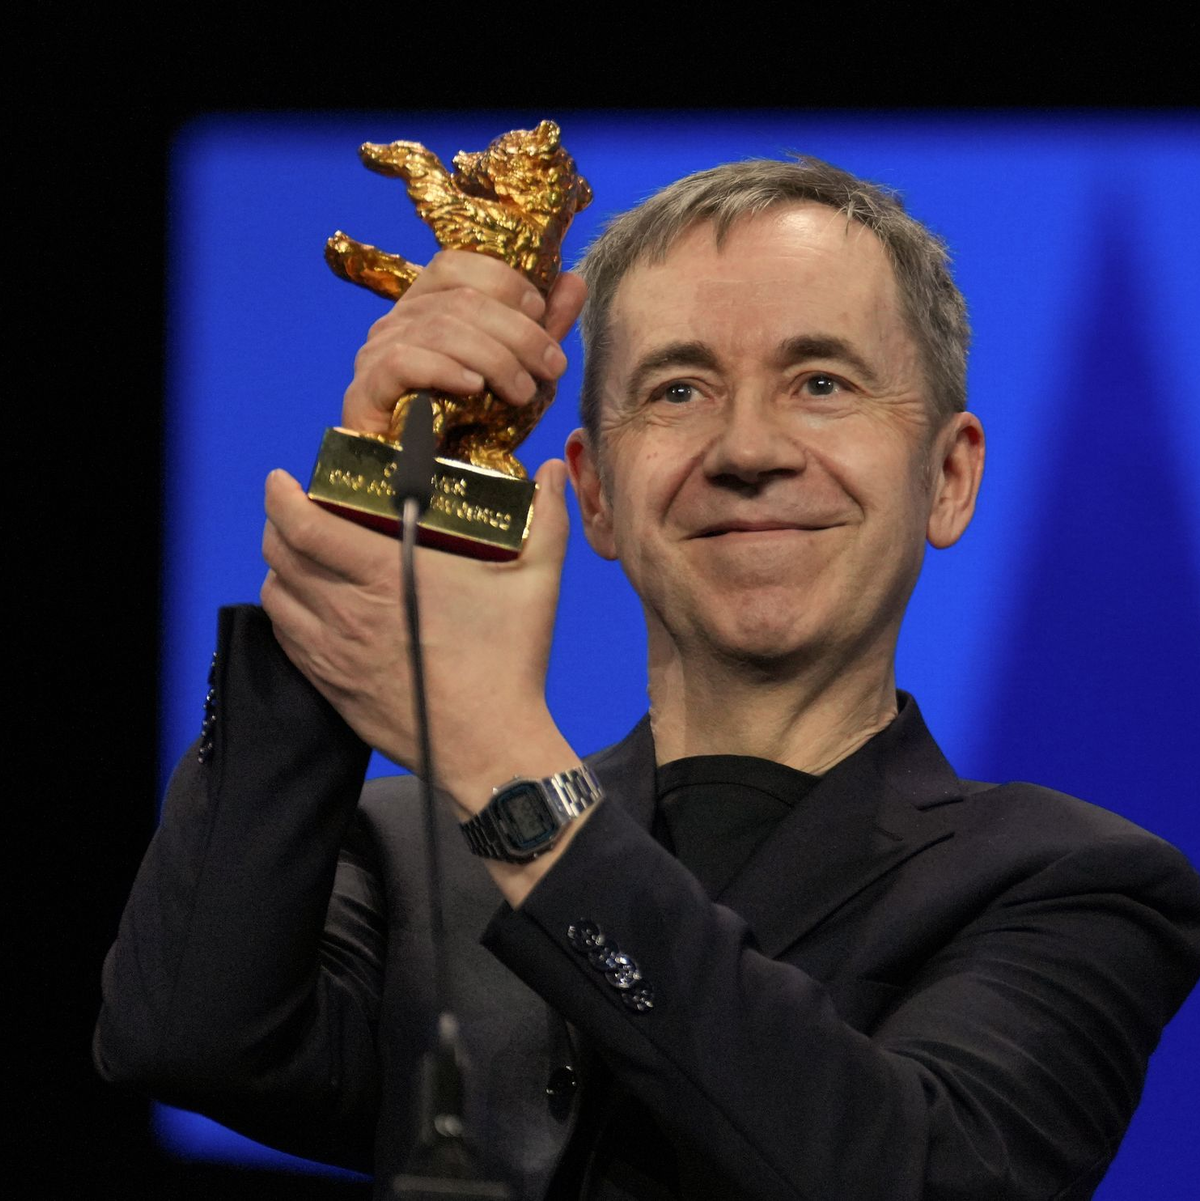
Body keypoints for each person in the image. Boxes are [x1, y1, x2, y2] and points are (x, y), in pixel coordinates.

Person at [95, 157, 1200, 1199]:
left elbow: (904, 1175)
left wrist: (500, 761)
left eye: (821, 381)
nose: (747, 448)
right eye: (678, 391)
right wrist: (377, 497)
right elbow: (183, 1033)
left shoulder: (1076, 885)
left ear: (949, 477)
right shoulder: (411, 854)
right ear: (596, 496)